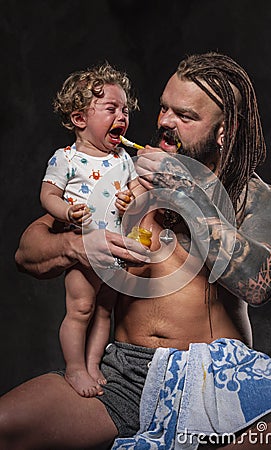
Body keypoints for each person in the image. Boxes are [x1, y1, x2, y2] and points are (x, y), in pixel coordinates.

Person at [0, 52, 271, 449]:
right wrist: (78, 245)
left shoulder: (258, 200)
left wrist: (187, 193)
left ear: (225, 130)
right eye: (165, 108)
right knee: (6, 424)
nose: (165, 121)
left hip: (214, 377)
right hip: (123, 377)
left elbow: (259, 283)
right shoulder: (125, 172)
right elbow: (27, 253)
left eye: (185, 116)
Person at [39, 62, 145, 398]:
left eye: (125, 109)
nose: (122, 116)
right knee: (80, 309)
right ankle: (74, 368)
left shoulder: (124, 158)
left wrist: (133, 200)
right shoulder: (66, 159)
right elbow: (47, 195)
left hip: (114, 254)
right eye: (111, 108)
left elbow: (137, 192)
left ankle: (94, 364)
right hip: (82, 251)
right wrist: (67, 210)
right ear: (80, 119)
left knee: (104, 310)